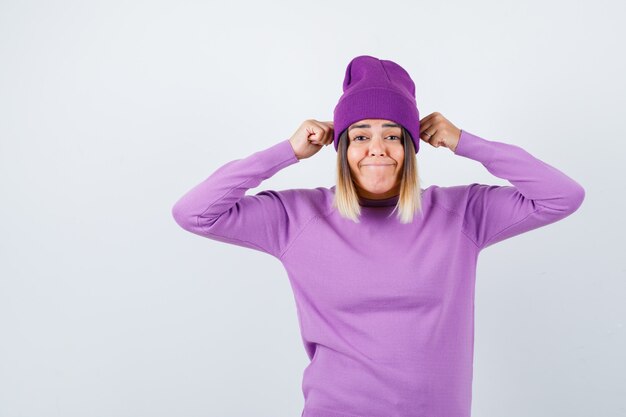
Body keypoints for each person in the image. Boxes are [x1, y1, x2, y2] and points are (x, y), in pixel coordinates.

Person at [171, 55, 585, 417]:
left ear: (409, 145)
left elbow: (562, 196)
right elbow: (194, 213)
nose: (377, 147)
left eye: (392, 134)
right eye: (360, 135)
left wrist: (465, 142)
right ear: (342, 147)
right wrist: (287, 151)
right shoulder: (297, 217)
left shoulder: (461, 214)